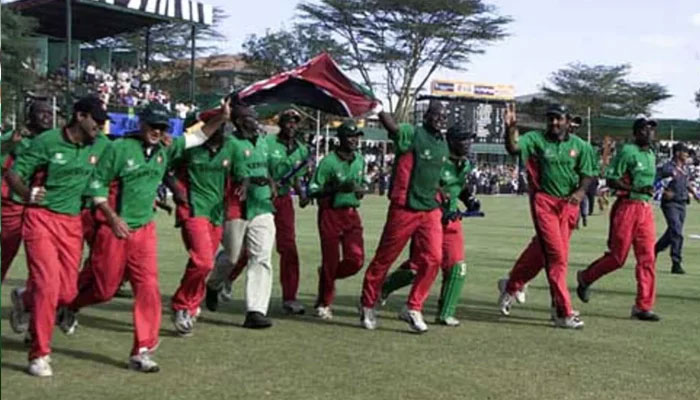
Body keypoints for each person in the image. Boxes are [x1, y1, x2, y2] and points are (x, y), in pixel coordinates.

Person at [64, 101, 230, 373]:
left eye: (162, 126)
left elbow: (197, 137)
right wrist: (112, 217)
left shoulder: (166, 148)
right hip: (114, 230)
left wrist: (221, 118)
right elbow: (96, 184)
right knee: (104, 289)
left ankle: (142, 350)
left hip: (144, 230)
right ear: (141, 124)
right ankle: (70, 306)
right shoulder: (119, 149)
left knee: (149, 288)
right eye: (153, 125)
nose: (157, 130)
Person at [6, 96, 111, 377]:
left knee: (67, 292)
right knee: (49, 286)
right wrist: (27, 193)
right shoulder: (47, 142)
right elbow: (13, 174)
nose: (100, 127)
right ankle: (39, 354)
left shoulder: (101, 144)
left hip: (72, 223)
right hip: (40, 219)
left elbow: (122, 155)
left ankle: (25, 299)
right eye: (96, 120)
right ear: (80, 116)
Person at [497, 104, 596, 329]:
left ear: (568, 121)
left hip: (568, 206)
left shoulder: (581, 146)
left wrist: (580, 193)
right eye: (550, 119)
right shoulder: (536, 139)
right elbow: (513, 148)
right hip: (544, 202)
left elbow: (588, 174)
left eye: (558, 119)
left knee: (541, 252)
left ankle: (512, 284)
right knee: (557, 257)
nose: (554, 123)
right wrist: (509, 129)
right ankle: (563, 312)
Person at [359, 100, 448, 334]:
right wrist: (379, 111)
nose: (439, 119)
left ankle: (413, 306)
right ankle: (368, 304)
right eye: (435, 115)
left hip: (430, 209)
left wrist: (441, 191)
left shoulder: (442, 144)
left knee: (434, 258)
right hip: (404, 207)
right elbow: (393, 128)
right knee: (384, 258)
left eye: (443, 116)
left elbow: (432, 174)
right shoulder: (412, 133)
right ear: (426, 116)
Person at [380, 125, 474, 326]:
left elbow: (460, 185)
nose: (468, 144)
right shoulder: (438, 160)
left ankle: (445, 314)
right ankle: (385, 286)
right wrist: (440, 202)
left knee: (458, 267)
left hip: (452, 219)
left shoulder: (465, 164)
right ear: (452, 141)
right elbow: (426, 184)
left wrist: (469, 199)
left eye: (470, 139)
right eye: (464, 139)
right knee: (418, 267)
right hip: (429, 217)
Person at [576, 118, 660, 322]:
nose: (651, 134)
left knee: (648, 258)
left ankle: (643, 306)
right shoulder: (627, 152)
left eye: (652, 131)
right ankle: (585, 277)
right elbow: (612, 179)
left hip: (645, 209)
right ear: (638, 132)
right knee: (617, 258)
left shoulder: (651, 154)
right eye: (647, 130)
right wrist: (635, 189)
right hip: (627, 207)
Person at [205, 103, 278, 329]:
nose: (255, 119)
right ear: (238, 121)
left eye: (255, 115)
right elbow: (225, 172)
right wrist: (245, 181)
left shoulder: (264, 141)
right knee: (232, 257)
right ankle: (214, 285)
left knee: (262, 257)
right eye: (249, 116)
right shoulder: (231, 144)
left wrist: (271, 182)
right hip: (236, 206)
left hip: (262, 205)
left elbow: (266, 168)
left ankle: (255, 311)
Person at [168, 110, 236, 337]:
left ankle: (190, 304)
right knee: (204, 261)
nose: (223, 131)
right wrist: (176, 189)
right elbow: (165, 168)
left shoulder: (230, 147)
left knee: (201, 263)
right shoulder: (190, 148)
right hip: (193, 209)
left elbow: (238, 174)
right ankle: (180, 305)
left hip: (216, 214)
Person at [308, 120, 366, 320]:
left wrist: (361, 191)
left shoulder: (360, 160)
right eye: (350, 137)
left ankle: (326, 275)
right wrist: (337, 188)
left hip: (351, 214)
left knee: (356, 260)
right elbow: (313, 190)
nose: (353, 141)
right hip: (330, 213)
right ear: (340, 139)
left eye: (356, 137)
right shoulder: (328, 162)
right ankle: (324, 303)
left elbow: (362, 184)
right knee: (331, 260)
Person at [1, 99, 54, 282]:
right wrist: (10, 143)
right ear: (30, 116)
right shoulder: (16, 137)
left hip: (43, 205)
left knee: (44, 258)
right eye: (42, 113)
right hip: (14, 202)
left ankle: (30, 299)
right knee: (6, 250)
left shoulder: (55, 140)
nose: (47, 117)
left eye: (49, 113)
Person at [265, 109, 311, 314]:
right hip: (262, 198)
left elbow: (296, 177)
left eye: (295, 122)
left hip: (284, 201)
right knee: (251, 248)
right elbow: (259, 166)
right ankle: (225, 280)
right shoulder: (267, 143)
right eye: (288, 121)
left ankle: (290, 297)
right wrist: (269, 182)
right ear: (281, 123)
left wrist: (301, 193)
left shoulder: (301, 150)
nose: (291, 125)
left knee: (288, 247)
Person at [655, 142, 697, 275]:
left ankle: (654, 249)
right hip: (670, 203)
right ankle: (676, 262)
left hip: (682, 202)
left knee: (672, 232)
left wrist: (695, 194)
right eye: (685, 152)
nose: (687, 155)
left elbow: (687, 181)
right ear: (678, 153)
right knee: (677, 231)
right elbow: (655, 180)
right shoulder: (667, 167)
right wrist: (663, 191)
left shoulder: (685, 168)